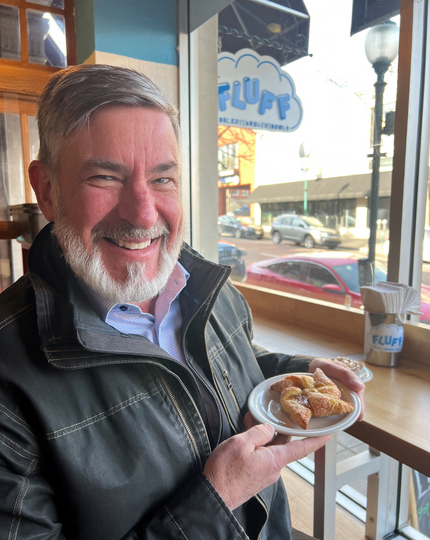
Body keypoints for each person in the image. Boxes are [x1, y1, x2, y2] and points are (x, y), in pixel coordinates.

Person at [0, 64, 365, 540]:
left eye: (162, 179)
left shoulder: (202, 282)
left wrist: (298, 369)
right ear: (46, 190)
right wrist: (216, 500)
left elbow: (225, 365)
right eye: (105, 177)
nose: (143, 213)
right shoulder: (9, 377)